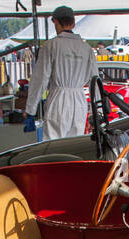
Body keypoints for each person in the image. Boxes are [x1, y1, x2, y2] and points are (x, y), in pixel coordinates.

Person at [25, 6, 96, 140]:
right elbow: (95, 82)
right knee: (75, 144)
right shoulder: (87, 49)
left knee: (54, 145)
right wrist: (95, 113)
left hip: (58, 102)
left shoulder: (51, 46)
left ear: (55, 22)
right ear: (73, 23)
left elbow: (40, 80)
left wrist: (30, 110)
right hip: (79, 103)